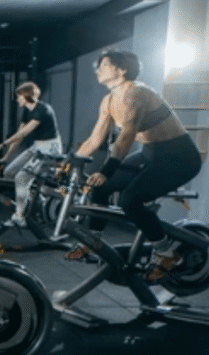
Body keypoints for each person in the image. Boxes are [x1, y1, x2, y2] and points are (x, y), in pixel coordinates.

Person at [73, 50, 201, 281]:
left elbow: (127, 135)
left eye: (104, 65)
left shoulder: (137, 93)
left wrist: (106, 170)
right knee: (100, 188)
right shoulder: (109, 100)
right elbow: (94, 140)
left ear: (121, 70)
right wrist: (70, 162)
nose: (98, 69)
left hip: (179, 157)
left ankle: (166, 251)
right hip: (150, 153)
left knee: (130, 200)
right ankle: (93, 241)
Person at [0, 82, 62, 226]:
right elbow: (19, 136)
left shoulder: (43, 109)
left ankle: (20, 217)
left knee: (21, 178)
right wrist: (6, 157)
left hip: (50, 149)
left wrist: (2, 144)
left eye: (19, 96)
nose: (17, 99)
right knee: (9, 172)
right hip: (38, 146)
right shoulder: (27, 111)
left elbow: (24, 132)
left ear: (26, 96)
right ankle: (36, 201)